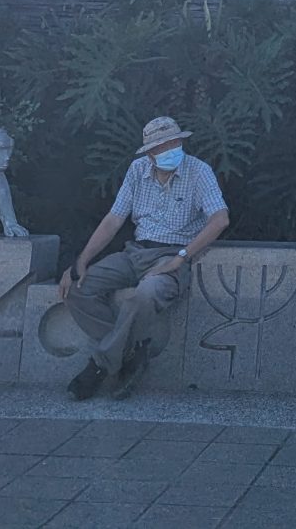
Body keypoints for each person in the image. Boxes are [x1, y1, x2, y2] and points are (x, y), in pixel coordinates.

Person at [58, 114, 230, 400]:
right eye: (163, 145)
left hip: (172, 255)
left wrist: (181, 257)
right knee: (78, 289)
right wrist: (81, 261)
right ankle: (129, 354)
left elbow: (220, 219)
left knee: (146, 294)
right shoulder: (137, 170)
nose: (171, 149)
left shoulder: (199, 171)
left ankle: (100, 366)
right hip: (135, 252)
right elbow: (114, 219)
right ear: (150, 152)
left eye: (175, 142)